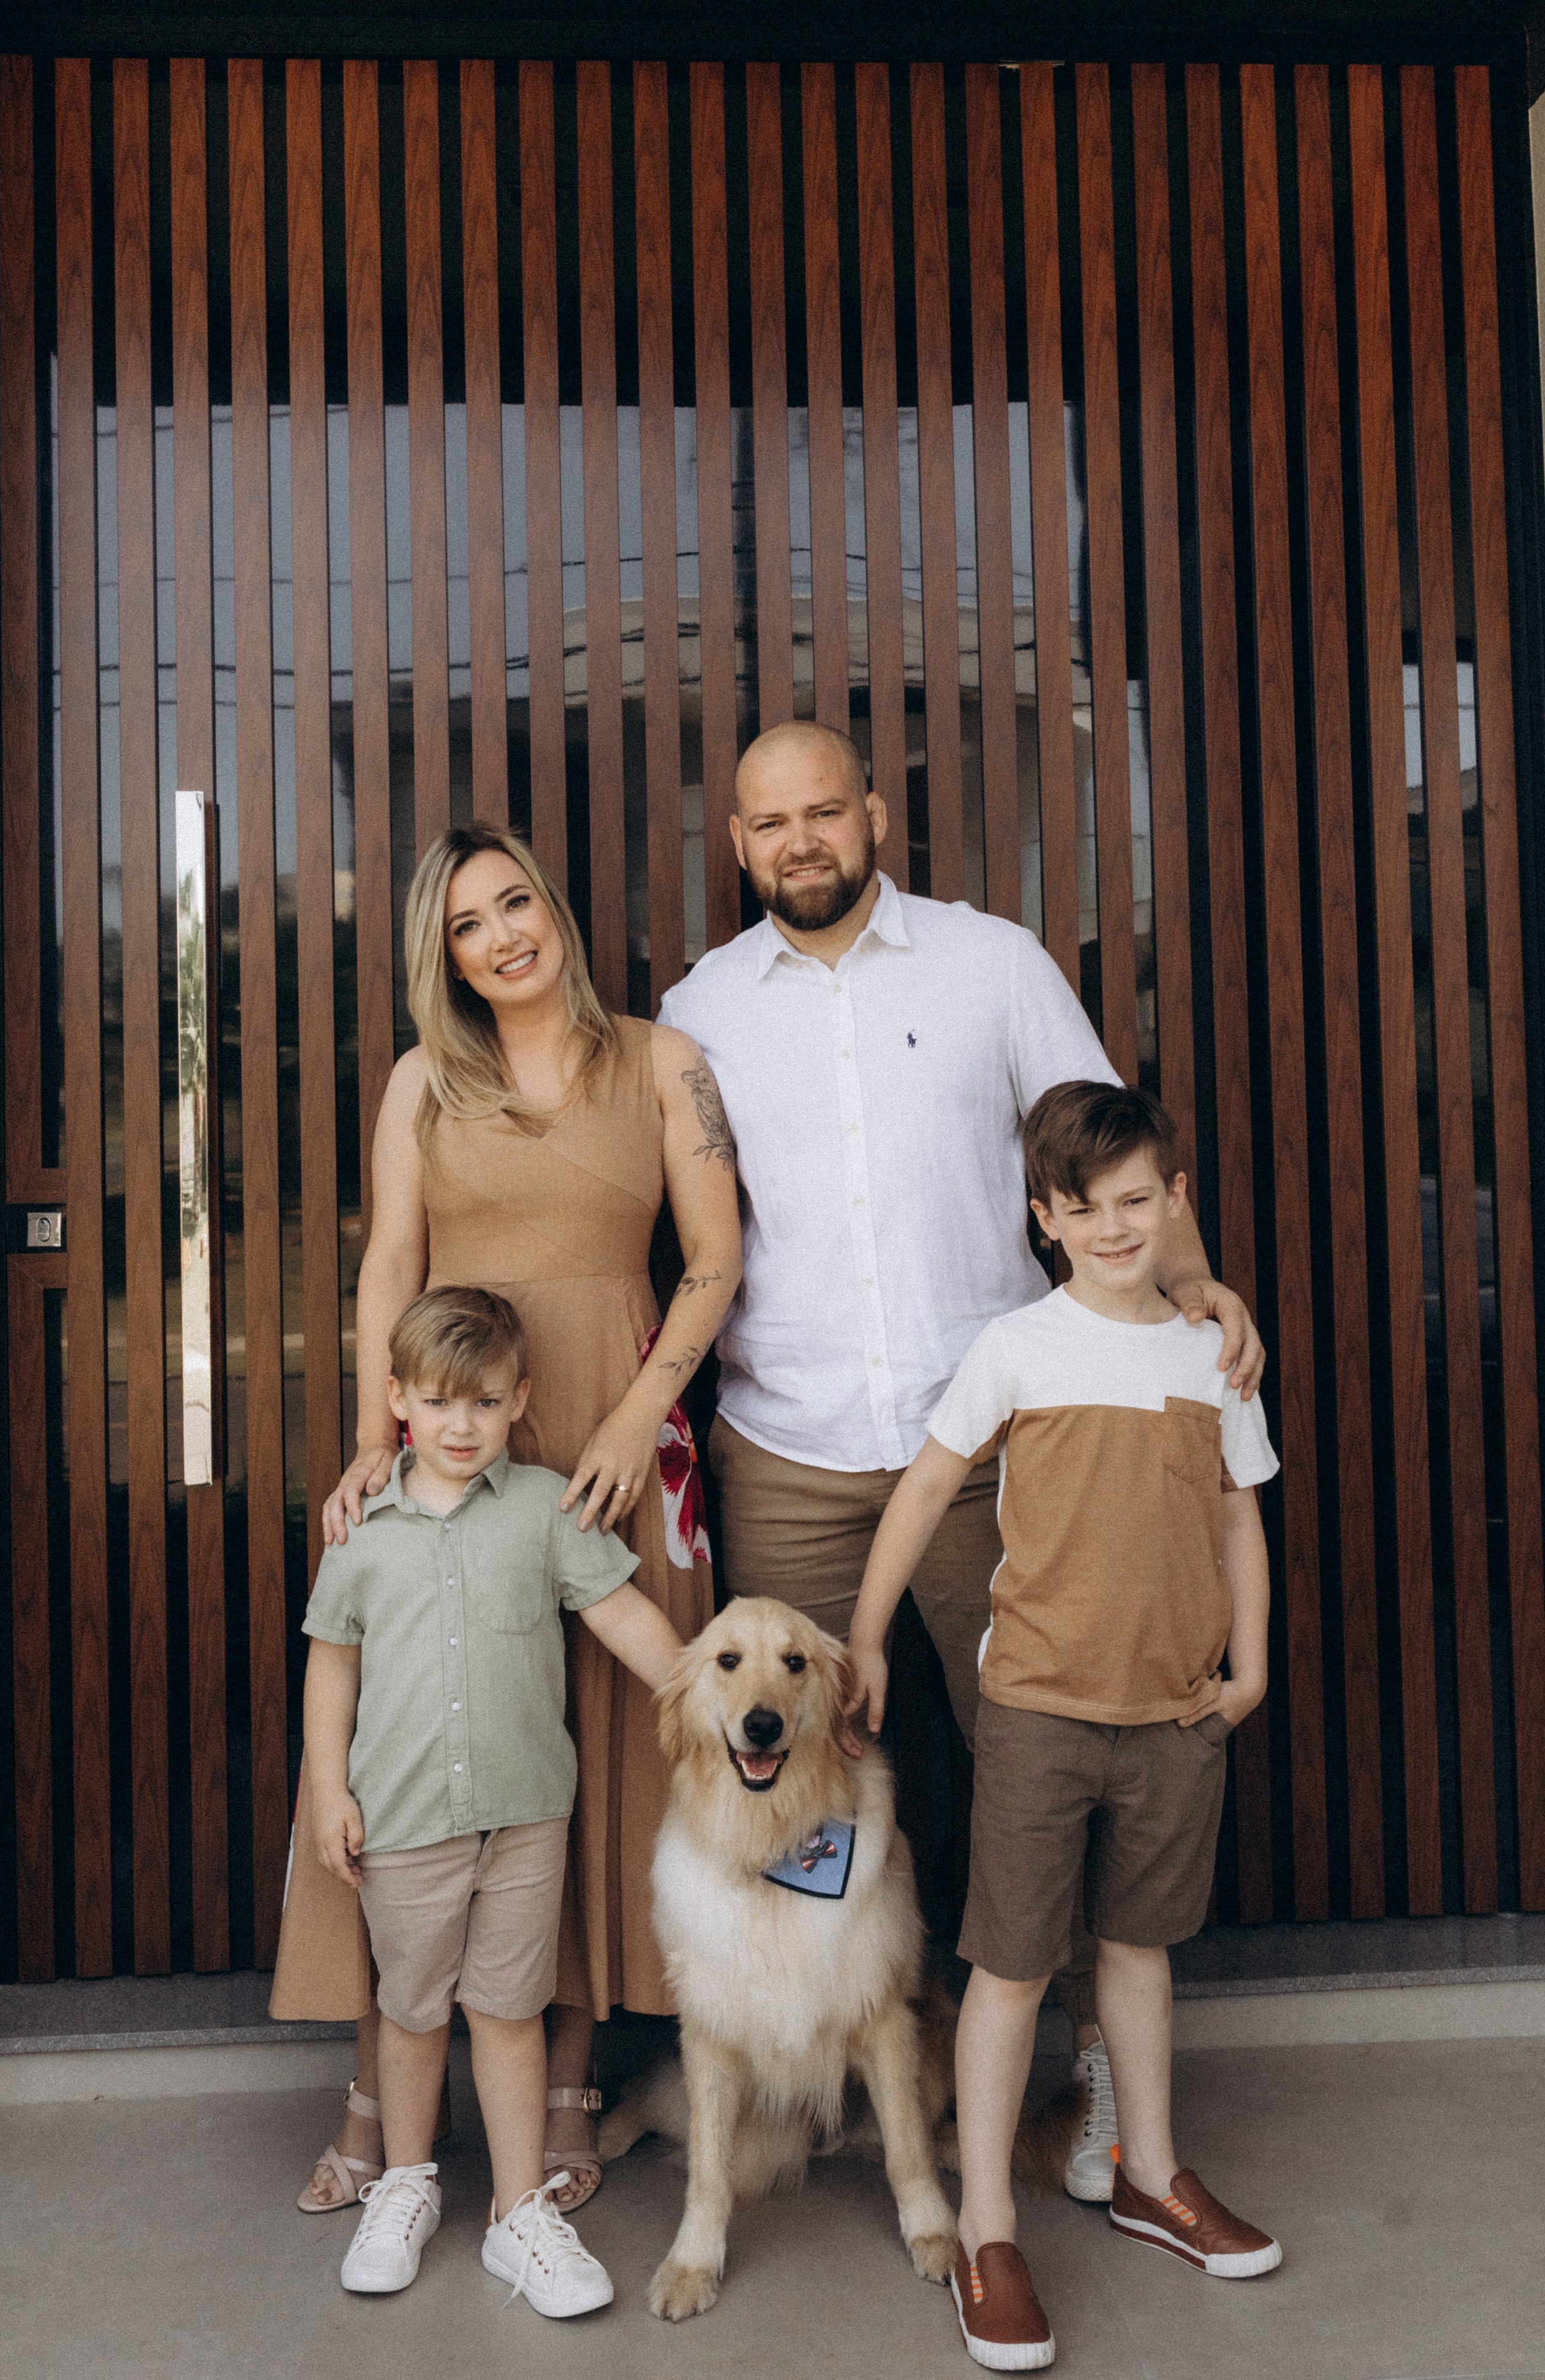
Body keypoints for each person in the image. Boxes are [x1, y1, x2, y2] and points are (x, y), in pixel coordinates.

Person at [657, 719, 1265, 2195]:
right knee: (801, 1766)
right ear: (736, 845)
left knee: (1042, 1761)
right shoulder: (697, 1012)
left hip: (995, 1448)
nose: (800, 841)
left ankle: (1095, 2077)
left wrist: (1192, 1284)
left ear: (874, 813)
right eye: (769, 823)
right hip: (788, 1452)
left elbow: (1100, 1152)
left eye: (823, 811)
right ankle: (840, 2066)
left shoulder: (992, 965)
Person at [276, 822, 742, 2217]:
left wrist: (632, 1416)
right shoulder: (424, 1078)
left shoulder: (661, 1060)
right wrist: (375, 1439)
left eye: (514, 902)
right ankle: (377, 2092)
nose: (500, 937)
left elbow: (715, 1259)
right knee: (418, 1732)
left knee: (597, 1741)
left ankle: (565, 2087)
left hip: (617, 1431)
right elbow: (391, 1263)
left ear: (555, 907)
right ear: (448, 960)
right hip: (456, 1421)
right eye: (466, 926)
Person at [848, 1082, 1282, 2370]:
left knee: (1137, 1950)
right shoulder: (1017, 1346)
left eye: (1137, 1201)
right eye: (1083, 1210)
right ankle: (988, 2233)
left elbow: (1236, 1514)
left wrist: (1250, 1667)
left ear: (1175, 1201)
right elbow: (927, 1486)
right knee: (1013, 1967)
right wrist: (865, 1635)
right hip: (1037, 1711)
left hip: (1174, 1713)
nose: (1114, 1227)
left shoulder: (1211, 1355)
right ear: (1043, 1218)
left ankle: (1151, 2176)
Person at [304, 1285, 683, 2309]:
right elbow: (332, 1666)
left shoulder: (547, 1510)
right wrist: (331, 1790)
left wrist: (707, 1693)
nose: (460, 1425)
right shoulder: (362, 1529)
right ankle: (405, 2184)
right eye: (437, 1402)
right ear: (397, 1401)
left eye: (483, 1402)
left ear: (519, 1399)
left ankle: (519, 2215)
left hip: (524, 1819)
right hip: (403, 1822)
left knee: (511, 2012)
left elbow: (622, 1615)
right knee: (412, 2012)